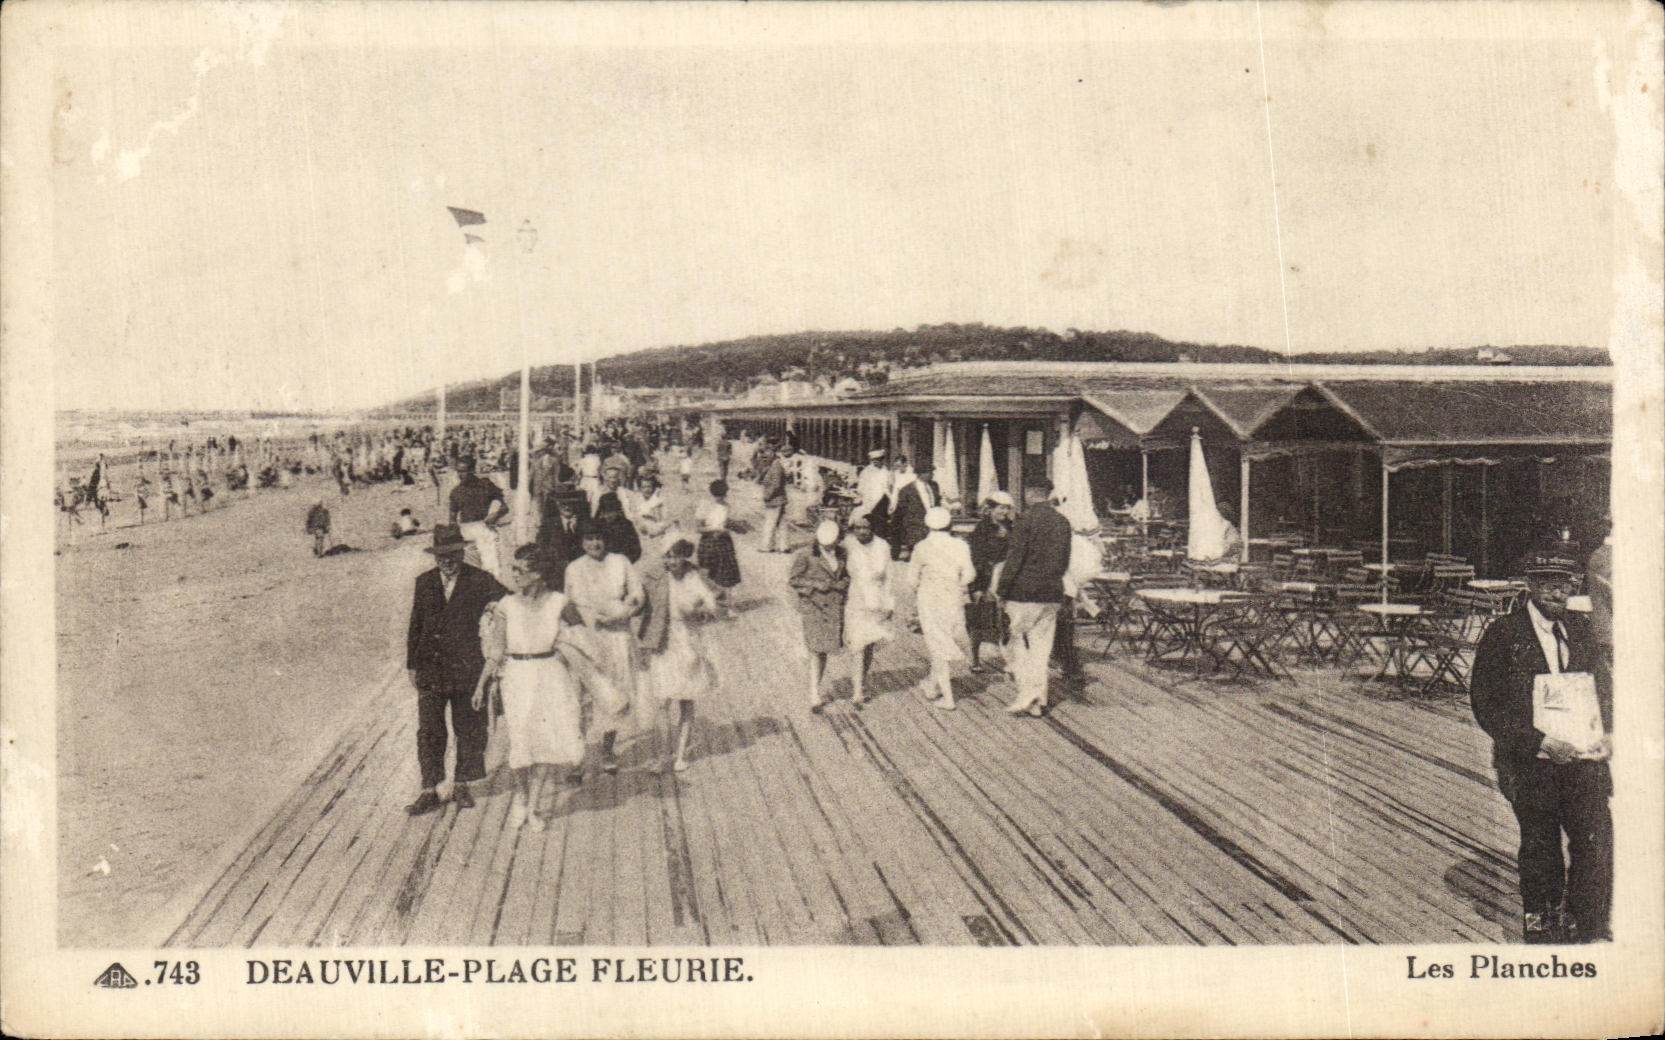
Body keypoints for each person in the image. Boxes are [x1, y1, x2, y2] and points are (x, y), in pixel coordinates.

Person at [1470, 550, 1611, 943]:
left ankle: (1588, 919)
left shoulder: (1581, 629)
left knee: (1595, 836)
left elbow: (1603, 687)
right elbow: (1486, 704)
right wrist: (1541, 741)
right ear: (1530, 585)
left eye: (1564, 582)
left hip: (1583, 758)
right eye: (1547, 581)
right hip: (1530, 760)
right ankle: (1542, 919)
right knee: (1541, 842)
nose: (1557, 590)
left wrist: (1607, 732)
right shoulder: (1503, 635)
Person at [474, 545, 586, 831]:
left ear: (539, 574)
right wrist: (481, 684)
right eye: (514, 568)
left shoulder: (560, 602)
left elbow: (582, 635)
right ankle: (521, 797)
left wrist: (565, 651)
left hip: (551, 675)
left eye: (521, 570)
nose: (515, 575)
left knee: (546, 743)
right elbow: (497, 650)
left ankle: (534, 806)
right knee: (521, 742)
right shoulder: (506, 606)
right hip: (518, 677)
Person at [404, 525, 508, 814]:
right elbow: (416, 625)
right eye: (441, 555)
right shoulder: (423, 582)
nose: (447, 561)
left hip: (467, 670)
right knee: (430, 731)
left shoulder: (480, 580)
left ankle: (463, 783)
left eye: (452, 554)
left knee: (470, 728)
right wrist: (411, 664)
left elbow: (509, 601)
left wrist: (493, 619)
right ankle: (430, 788)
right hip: (431, 668)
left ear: (462, 552)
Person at [563, 525, 645, 776]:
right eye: (590, 538)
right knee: (581, 695)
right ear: (582, 542)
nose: (595, 544)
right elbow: (567, 605)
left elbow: (638, 595)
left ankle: (608, 750)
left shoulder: (620, 562)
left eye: (599, 537)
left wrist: (625, 613)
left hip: (616, 634)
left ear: (606, 540)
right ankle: (578, 758)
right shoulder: (574, 568)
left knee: (615, 692)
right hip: (585, 636)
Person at [636, 539, 723, 772]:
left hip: (687, 641)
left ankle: (681, 754)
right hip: (662, 640)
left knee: (686, 698)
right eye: (667, 556)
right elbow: (640, 602)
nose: (671, 562)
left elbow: (713, 605)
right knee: (662, 700)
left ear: (684, 556)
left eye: (675, 556)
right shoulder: (656, 578)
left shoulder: (695, 578)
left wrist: (699, 612)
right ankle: (664, 754)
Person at [996, 481, 1072, 717]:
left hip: (1023, 592)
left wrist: (1002, 589)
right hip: (1051, 592)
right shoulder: (1062, 522)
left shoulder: (1025, 520)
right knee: (1042, 648)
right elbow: (1064, 560)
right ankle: (1039, 701)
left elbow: (1015, 558)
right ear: (1049, 495)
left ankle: (1026, 692)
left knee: (1016, 643)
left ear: (1030, 494)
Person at [909, 506, 976, 709]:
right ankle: (933, 685)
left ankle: (947, 698)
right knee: (947, 637)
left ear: (927, 525)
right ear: (950, 525)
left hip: (930, 597)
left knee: (936, 644)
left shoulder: (922, 547)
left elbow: (911, 579)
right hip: (952, 596)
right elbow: (969, 575)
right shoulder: (961, 545)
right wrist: (957, 583)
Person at [789, 520, 849, 713]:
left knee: (823, 651)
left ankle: (816, 687)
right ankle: (814, 692)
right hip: (814, 607)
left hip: (834, 606)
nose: (829, 547)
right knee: (816, 650)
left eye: (832, 544)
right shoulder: (805, 555)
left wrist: (843, 584)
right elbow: (794, 579)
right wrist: (815, 584)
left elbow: (847, 575)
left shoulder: (843, 553)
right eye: (825, 545)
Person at [842, 513, 894, 708]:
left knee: (870, 644)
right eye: (857, 528)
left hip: (877, 599)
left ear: (873, 529)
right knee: (857, 644)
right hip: (855, 597)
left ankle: (861, 682)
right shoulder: (847, 545)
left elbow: (889, 576)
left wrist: (890, 604)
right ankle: (857, 692)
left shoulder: (882, 546)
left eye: (865, 528)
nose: (861, 532)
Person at [966, 492, 1014, 673]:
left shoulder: (1011, 527)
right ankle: (975, 658)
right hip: (985, 579)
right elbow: (976, 558)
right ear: (991, 509)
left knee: (1006, 620)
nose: (1005, 512)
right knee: (980, 620)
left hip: (1006, 580)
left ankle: (1009, 657)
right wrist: (978, 586)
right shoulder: (982, 529)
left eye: (1008, 508)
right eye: (1001, 508)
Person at [448, 455, 508, 580]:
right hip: (466, 532)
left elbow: (504, 507)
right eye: (458, 471)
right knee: (471, 571)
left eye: (463, 471)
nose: (460, 474)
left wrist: (495, 515)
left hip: (485, 530)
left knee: (492, 570)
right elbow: (452, 518)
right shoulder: (456, 492)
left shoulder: (485, 485)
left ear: (472, 470)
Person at [697, 480, 742, 607]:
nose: (721, 497)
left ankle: (729, 604)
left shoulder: (726, 506)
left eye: (722, 494)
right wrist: (715, 529)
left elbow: (726, 522)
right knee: (705, 572)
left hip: (724, 541)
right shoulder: (705, 505)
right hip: (709, 540)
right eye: (718, 494)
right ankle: (717, 593)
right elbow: (699, 528)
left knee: (727, 573)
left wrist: (736, 527)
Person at [758, 442, 794, 553]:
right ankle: (785, 546)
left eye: (767, 452)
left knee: (770, 523)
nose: (765, 455)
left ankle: (767, 546)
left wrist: (767, 495)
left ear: (773, 453)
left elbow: (776, 484)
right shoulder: (773, 465)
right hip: (779, 499)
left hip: (775, 499)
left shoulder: (776, 466)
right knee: (781, 523)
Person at [854, 448, 892, 527]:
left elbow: (890, 487)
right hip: (869, 501)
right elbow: (860, 488)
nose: (876, 462)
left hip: (883, 503)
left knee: (881, 522)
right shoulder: (866, 472)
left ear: (882, 460)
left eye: (879, 460)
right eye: (874, 460)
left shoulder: (887, 472)